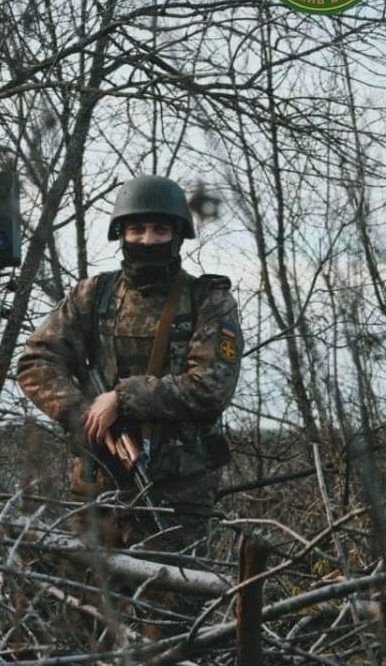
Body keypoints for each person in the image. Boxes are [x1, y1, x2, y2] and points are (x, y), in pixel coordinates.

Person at [17, 174, 240, 552]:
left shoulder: (207, 301)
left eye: (159, 230)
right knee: (93, 604)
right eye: (137, 229)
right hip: (100, 486)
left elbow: (210, 387)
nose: (147, 240)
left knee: (175, 604)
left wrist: (121, 399)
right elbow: (36, 361)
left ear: (177, 234)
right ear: (122, 233)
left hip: (177, 496)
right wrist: (83, 414)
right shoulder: (93, 295)